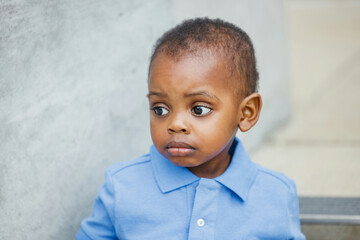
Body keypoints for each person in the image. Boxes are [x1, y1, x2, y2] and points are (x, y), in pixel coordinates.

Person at [76, 18, 305, 240]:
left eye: (199, 109)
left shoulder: (275, 194)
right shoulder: (122, 187)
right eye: (160, 109)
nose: (175, 124)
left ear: (246, 113)